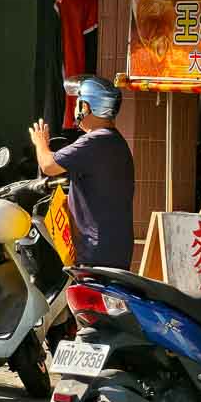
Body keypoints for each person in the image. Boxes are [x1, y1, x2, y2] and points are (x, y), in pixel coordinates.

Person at [29, 75, 134, 269]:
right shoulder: (116, 142)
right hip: (115, 250)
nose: (75, 108)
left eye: (78, 103)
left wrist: (40, 142)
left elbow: (48, 166)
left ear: (86, 107)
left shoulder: (94, 141)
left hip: (94, 253)